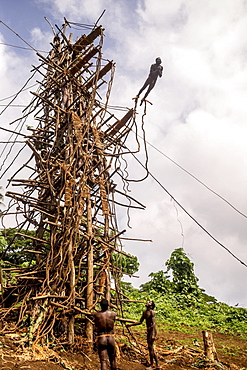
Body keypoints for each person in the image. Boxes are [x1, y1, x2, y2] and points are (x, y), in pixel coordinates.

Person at [127, 301, 159, 369]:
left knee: (150, 348)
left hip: (152, 331)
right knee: (151, 348)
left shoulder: (152, 312)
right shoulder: (144, 312)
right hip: (149, 331)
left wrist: (152, 334)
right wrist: (131, 325)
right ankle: (157, 365)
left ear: (151, 306)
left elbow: (153, 324)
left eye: (149, 302)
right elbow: (140, 322)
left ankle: (152, 365)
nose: (147, 302)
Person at [94, 298, 117, 370]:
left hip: (102, 338)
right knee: (113, 360)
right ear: (108, 305)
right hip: (111, 338)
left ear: (100, 306)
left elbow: (96, 324)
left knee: (103, 361)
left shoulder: (97, 315)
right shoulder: (113, 314)